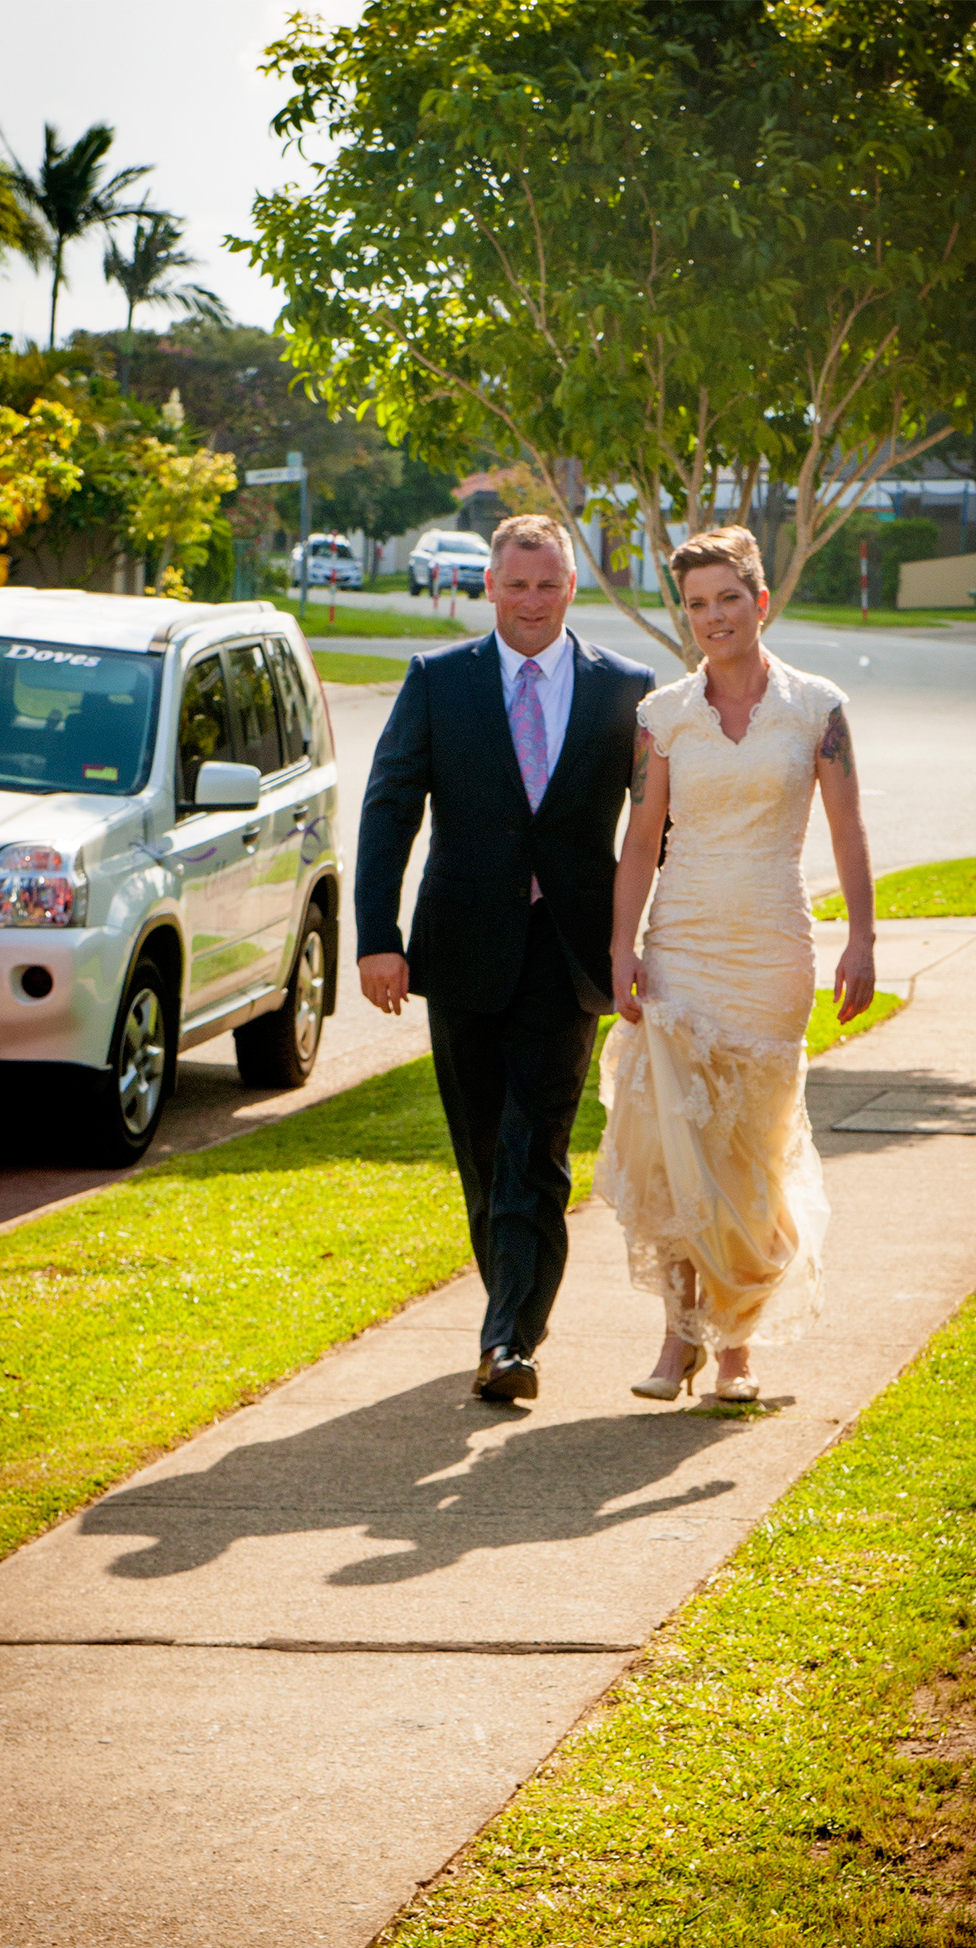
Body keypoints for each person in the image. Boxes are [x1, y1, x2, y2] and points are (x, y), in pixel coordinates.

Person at [356, 514, 655, 1403]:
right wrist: (377, 939)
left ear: (573, 588)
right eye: (516, 583)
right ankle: (507, 1321)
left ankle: (511, 1341)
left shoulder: (626, 690)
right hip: (461, 951)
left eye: (548, 583)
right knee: (485, 1152)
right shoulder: (437, 681)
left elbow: (658, 826)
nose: (532, 600)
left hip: (569, 954)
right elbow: (387, 809)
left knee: (537, 1147)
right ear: (488, 585)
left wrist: (656, 935)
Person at [594, 524, 876, 1403]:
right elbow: (639, 841)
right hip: (680, 944)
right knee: (676, 1147)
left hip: (771, 950)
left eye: (727, 599)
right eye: (695, 604)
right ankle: (677, 1342)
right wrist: (620, 945)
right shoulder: (662, 716)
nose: (712, 617)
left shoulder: (817, 708)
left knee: (746, 1155)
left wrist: (861, 938)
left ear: (759, 602)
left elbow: (847, 829)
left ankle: (736, 1353)